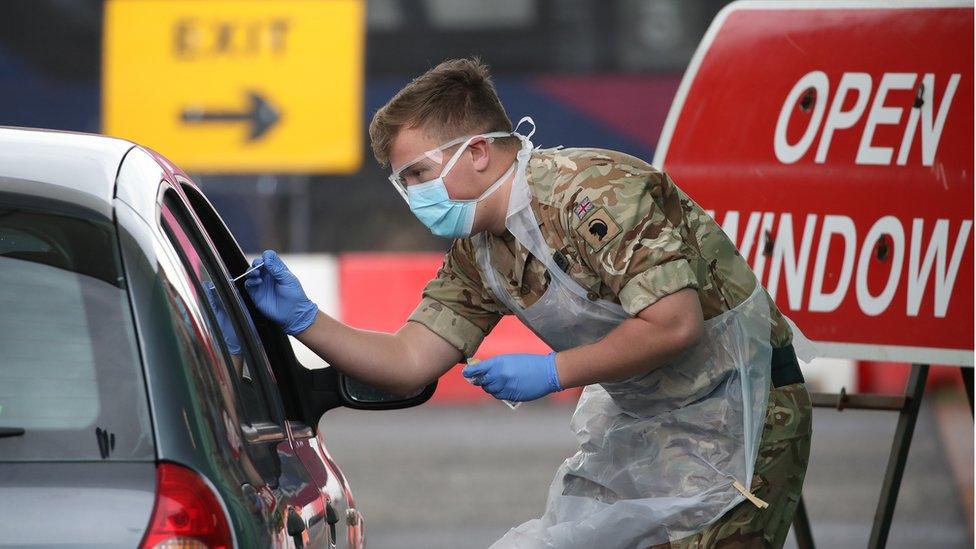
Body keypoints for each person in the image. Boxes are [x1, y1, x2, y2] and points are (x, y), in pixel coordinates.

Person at [244, 58, 813, 548]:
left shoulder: (589, 192)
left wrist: (553, 370)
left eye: (417, 174)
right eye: (402, 182)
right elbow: (408, 361)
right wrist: (305, 320)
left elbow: (673, 324)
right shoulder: (480, 252)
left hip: (741, 417)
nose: (412, 195)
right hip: (648, 429)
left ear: (479, 153)